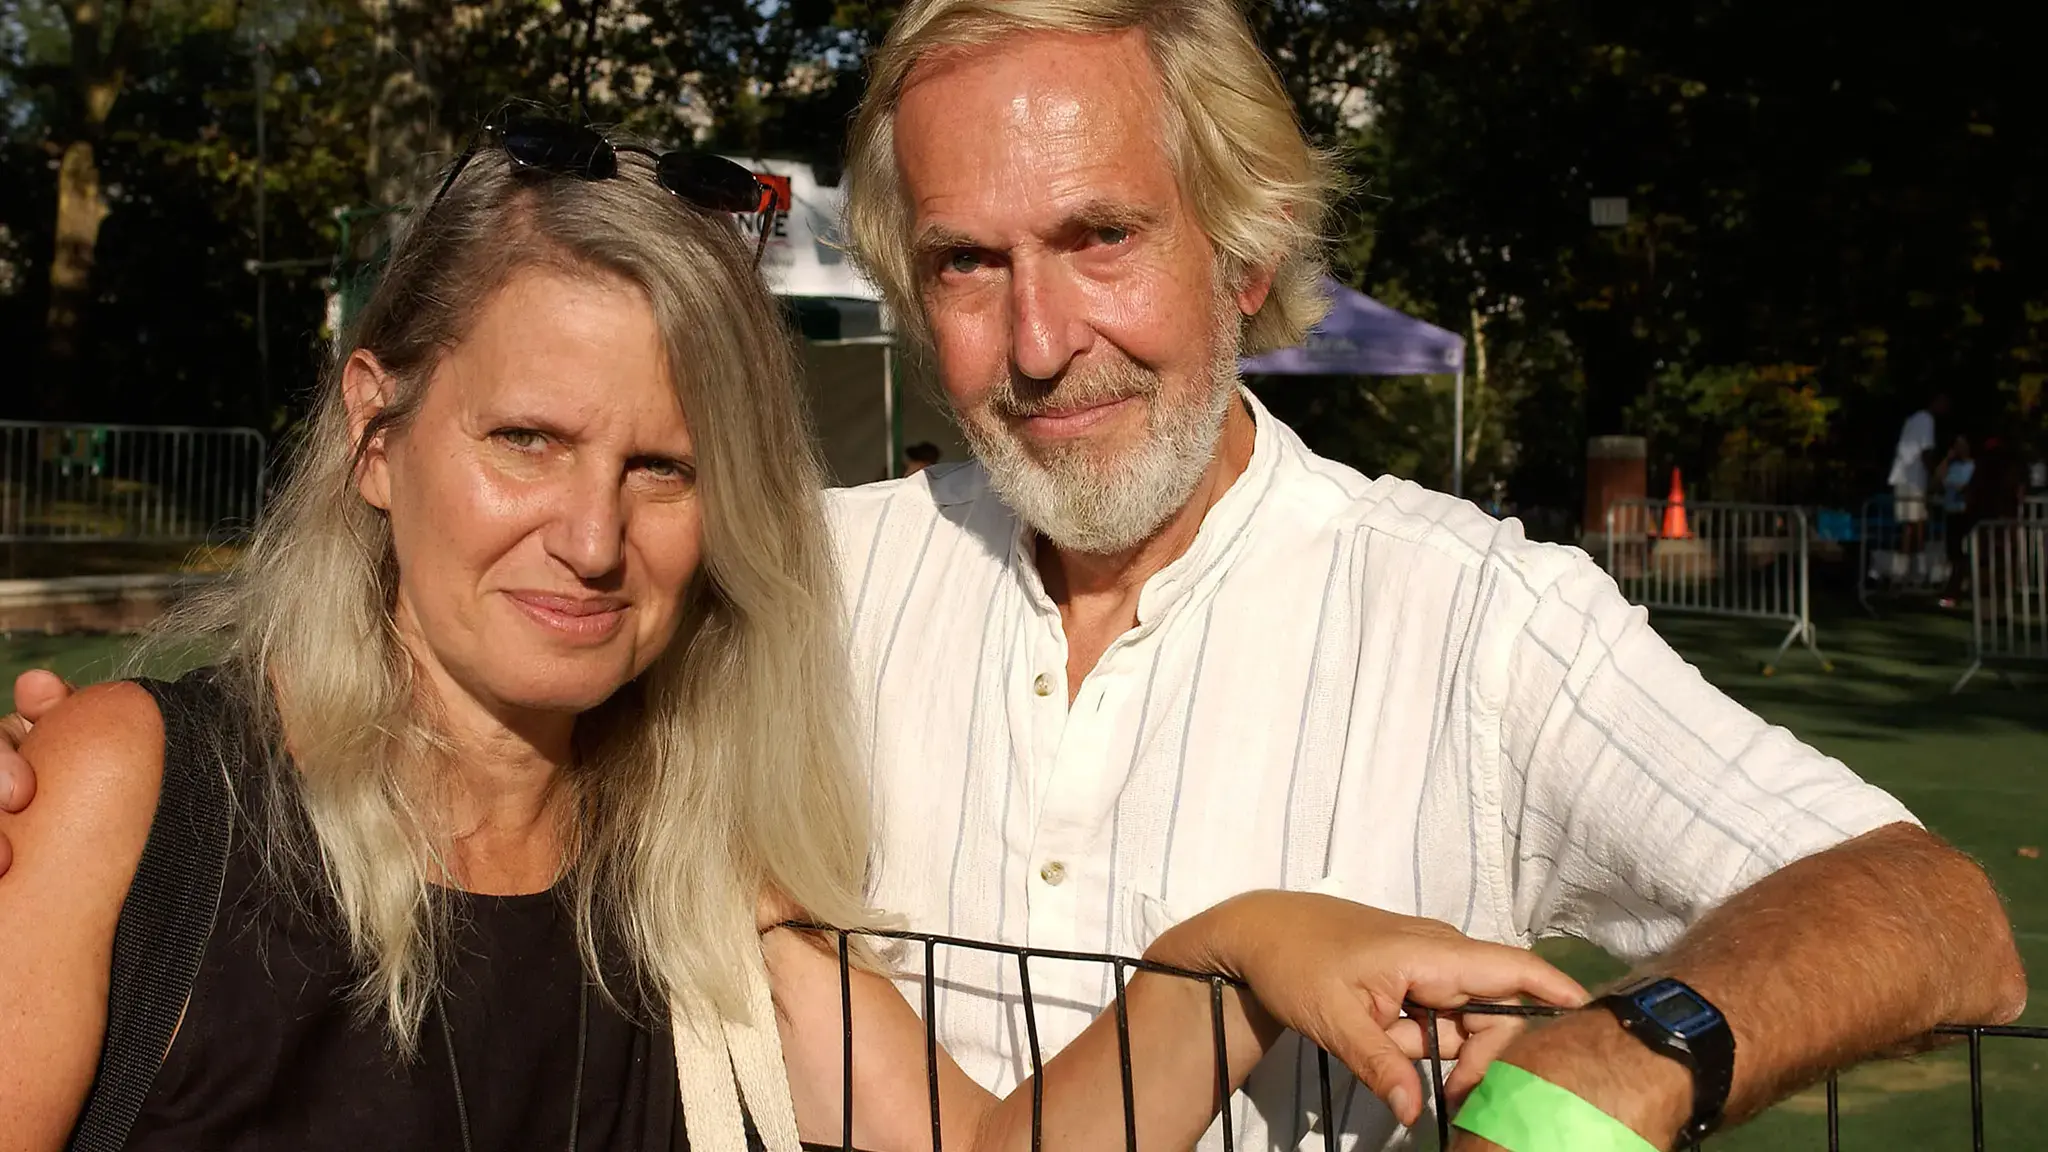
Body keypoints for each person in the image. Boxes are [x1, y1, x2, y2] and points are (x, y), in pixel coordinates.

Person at [0, 2, 2029, 1149]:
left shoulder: (1473, 612)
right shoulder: (795, 585)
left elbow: (1934, 911)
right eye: (967, 266)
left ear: (1245, 263)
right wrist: (83, 782)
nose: (1039, 337)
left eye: (1101, 241)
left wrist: (1616, 1061)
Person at [1888, 392, 1949, 566]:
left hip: (1903, 476)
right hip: (1912, 477)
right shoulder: (1926, 420)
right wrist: (1935, 477)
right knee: (1918, 521)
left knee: (1909, 524)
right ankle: (1920, 565)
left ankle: (1903, 565)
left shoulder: (1913, 419)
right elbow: (1926, 452)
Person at [1936, 434, 1976, 606]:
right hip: (1951, 512)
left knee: (1962, 554)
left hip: (1964, 513)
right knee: (1953, 553)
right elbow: (1938, 478)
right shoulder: (1953, 466)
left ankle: (1955, 591)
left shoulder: (1973, 466)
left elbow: (1970, 488)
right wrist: (1947, 458)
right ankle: (1956, 588)